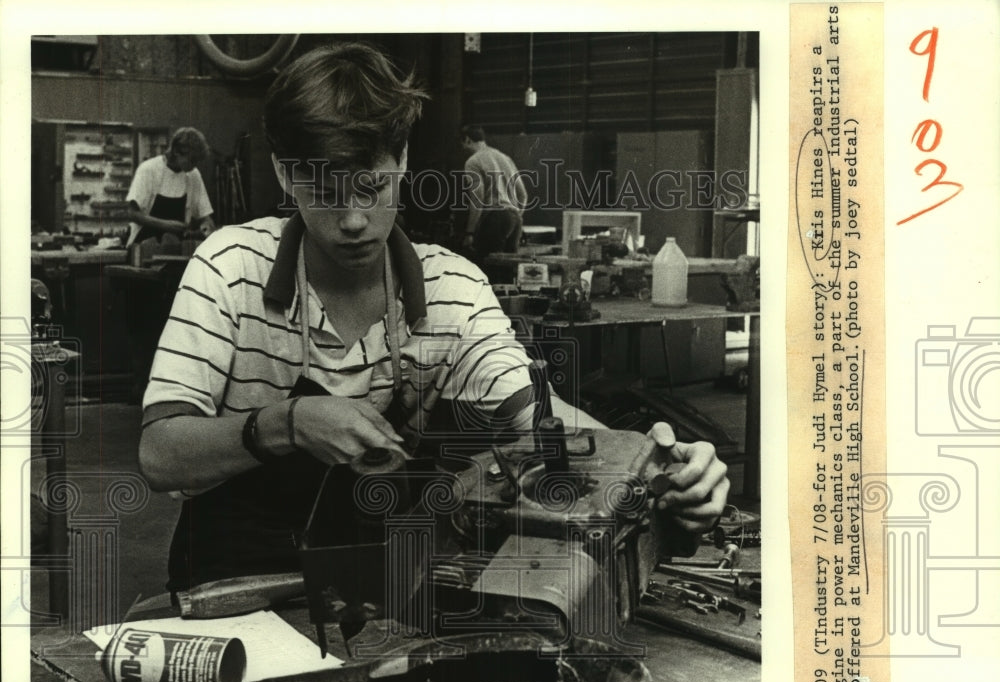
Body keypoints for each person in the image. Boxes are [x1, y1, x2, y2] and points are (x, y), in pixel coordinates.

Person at [137, 42, 729, 592]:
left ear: (401, 158)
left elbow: (541, 422)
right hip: (228, 590)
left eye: (371, 186)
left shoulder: (453, 291)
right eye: (324, 190)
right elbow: (160, 455)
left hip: (378, 595)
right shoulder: (229, 267)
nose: (351, 220)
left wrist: (658, 466)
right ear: (287, 173)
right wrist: (286, 423)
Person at [126, 127, 216, 247]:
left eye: (197, 161)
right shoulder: (149, 169)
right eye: (192, 160)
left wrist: (207, 228)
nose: (194, 166)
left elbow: (204, 216)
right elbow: (132, 213)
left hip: (176, 248)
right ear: (176, 152)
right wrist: (167, 225)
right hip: (143, 247)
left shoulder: (193, 175)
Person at [459, 125, 527, 263]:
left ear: (467, 140)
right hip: (515, 219)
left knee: (489, 271)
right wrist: (515, 216)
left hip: (494, 220)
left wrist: (470, 233)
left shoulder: (473, 162)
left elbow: (477, 199)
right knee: (508, 272)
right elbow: (523, 195)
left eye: (462, 145)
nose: (463, 149)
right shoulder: (505, 158)